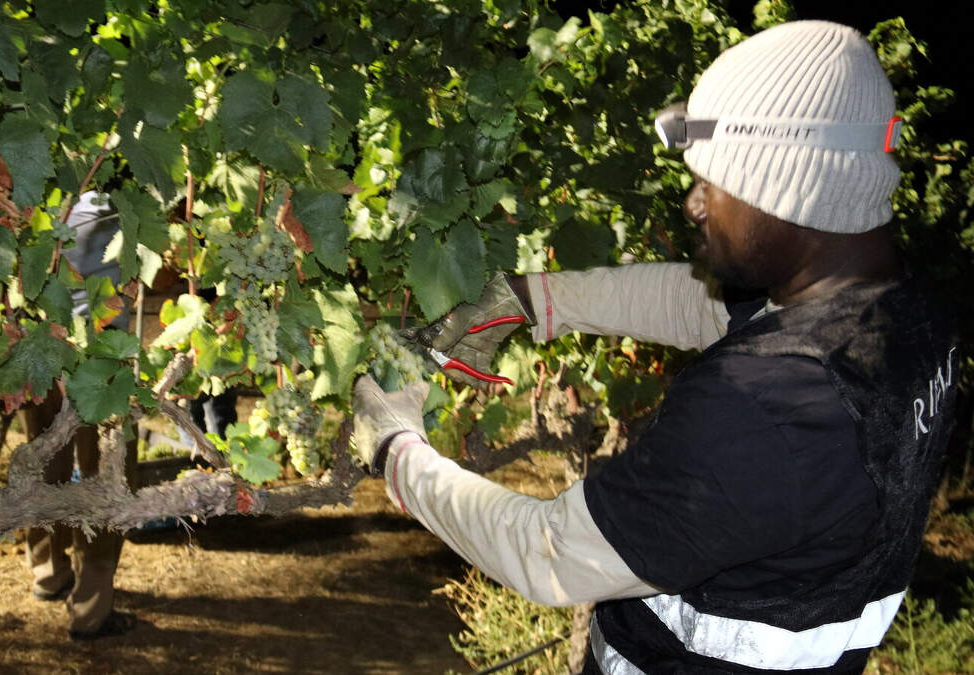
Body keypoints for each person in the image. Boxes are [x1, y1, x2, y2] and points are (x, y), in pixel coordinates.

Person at [353, 20, 958, 673]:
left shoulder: (762, 405)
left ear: (788, 188)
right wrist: (531, 299)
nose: (695, 205)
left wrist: (397, 452)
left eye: (714, 184)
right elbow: (700, 304)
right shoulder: (909, 322)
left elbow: (547, 552)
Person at [23, 191, 138, 640]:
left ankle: (48, 574)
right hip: (100, 354)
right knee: (107, 474)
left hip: (39, 345)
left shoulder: (38, 172)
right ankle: (91, 610)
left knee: (44, 460)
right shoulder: (114, 183)